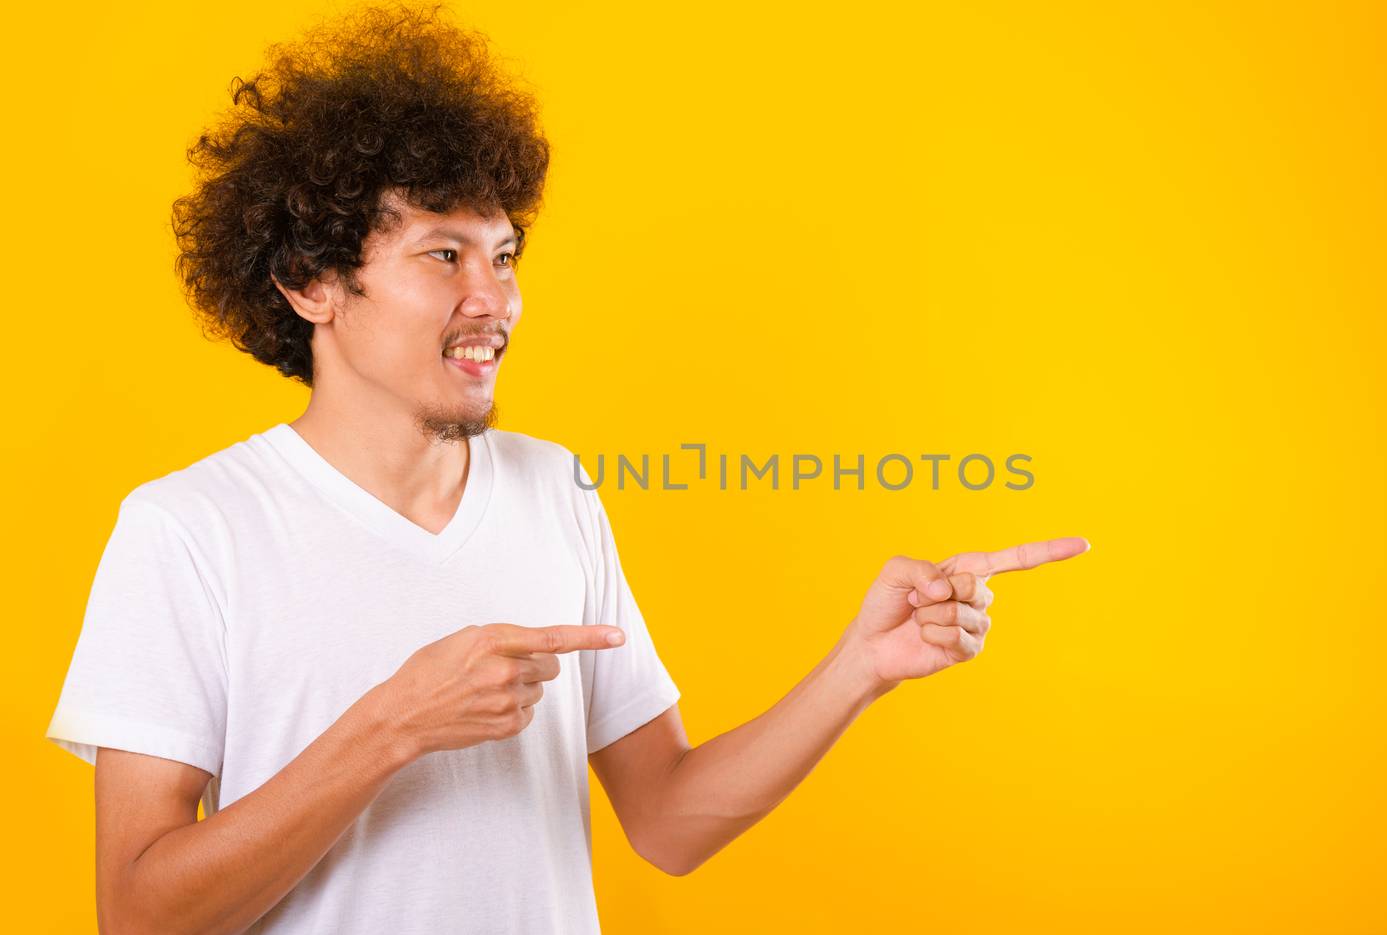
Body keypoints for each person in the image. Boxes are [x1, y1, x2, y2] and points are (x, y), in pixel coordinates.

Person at [45, 4, 1090, 933]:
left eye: (504, 255)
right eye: (442, 254)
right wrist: (391, 724)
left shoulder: (553, 493)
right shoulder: (189, 528)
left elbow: (669, 820)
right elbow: (137, 910)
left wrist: (858, 666)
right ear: (311, 283)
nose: (492, 300)